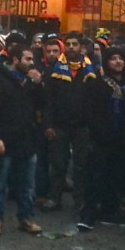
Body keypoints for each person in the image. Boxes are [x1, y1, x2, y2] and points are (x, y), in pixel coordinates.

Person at [0, 41, 45, 236]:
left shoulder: (29, 82)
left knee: (26, 185)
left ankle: (25, 217)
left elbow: (43, 104)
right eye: (28, 59)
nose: (31, 63)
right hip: (5, 140)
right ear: (15, 59)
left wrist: (39, 84)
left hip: (26, 140)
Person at [41, 33, 97, 213]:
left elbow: (95, 101)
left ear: (82, 47)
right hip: (59, 125)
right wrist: (48, 124)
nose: (71, 47)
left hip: (82, 126)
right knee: (58, 164)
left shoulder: (91, 70)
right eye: (69, 44)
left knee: (81, 165)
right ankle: (54, 198)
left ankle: (80, 199)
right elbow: (47, 100)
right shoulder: (53, 70)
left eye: (75, 44)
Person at [79, 47, 125, 229]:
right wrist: (100, 132)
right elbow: (90, 112)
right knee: (96, 176)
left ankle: (111, 210)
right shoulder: (98, 83)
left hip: (123, 141)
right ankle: (88, 214)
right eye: (113, 59)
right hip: (102, 139)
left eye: (120, 58)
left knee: (116, 175)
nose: (118, 62)